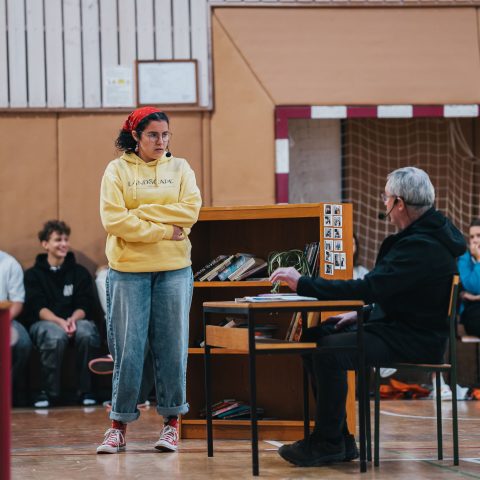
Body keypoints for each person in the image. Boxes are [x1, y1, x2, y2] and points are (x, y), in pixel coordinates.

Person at [270, 167, 466, 467]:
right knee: (315, 336)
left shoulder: (421, 245)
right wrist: (362, 313)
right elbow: (407, 297)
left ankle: (327, 442)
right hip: (406, 329)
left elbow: (369, 287)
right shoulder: (426, 238)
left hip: (414, 340)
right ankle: (340, 439)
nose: (383, 204)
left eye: (385, 198)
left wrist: (304, 283)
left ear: (399, 203)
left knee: (327, 351)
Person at [96, 106, 201, 454]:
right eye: (153, 135)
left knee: (172, 348)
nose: (161, 141)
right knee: (128, 351)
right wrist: (164, 230)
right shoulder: (116, 170)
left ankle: (171, 425)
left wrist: (139, 213)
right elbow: (114, 221)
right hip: (128, 270)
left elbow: (190, 211)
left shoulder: (181, 168)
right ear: (136, 136)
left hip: (174, 269)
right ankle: (118, 426)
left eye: (165, 134)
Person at [24, 220, 100, 408]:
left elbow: (85, 303)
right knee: (55, 335)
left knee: (87, 332)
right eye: (58, 240)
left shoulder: (79, 272)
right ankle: (49, 393)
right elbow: (37, 306)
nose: (64, 244)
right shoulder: (33, 274)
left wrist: (73, 319)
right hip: (46, 322)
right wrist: (60, 322)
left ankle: (86, 391)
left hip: (76, 320)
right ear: (45, 244)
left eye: (66, 239)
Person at [0, 250, 32, 406]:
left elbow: (17, 303)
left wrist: (3, 321)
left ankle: (6, 392)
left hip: (4, 318)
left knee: (22, 342)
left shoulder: (10, 263)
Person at [458, 219, 480, 336]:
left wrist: (475, 297)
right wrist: (479, 260)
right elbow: (474, 286)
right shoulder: (464, 260)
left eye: (479, 236)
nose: (475, 240)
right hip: (472, 312)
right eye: (472, 237)